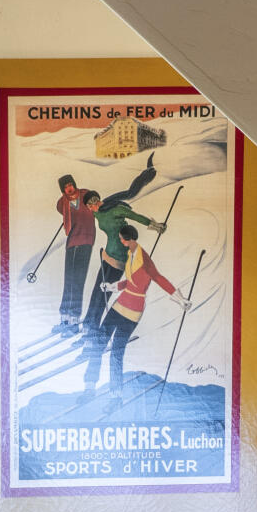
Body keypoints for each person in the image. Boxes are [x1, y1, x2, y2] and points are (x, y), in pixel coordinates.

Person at [84, 222, 178, 391]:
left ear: (128, 239)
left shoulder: (145, 259)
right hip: (120, 305)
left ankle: (116, 394)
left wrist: (180, 298)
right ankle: (89, 385)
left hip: (133, 312)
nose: (120, 241)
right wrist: (111, 286)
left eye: (121, 239)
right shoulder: (130, 253)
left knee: (116, 353)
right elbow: (129, 282)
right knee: (99, 342)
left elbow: (159, 278)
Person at [78, 154, 161, 334]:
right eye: (90, 205)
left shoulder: (115, 209)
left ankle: (94, 328)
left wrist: (155, 225)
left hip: (120, 258)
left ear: (98, 199)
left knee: (105, 292)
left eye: (94, 202)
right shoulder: (97, 213)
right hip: (107, 255)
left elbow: (135, 216)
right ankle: (89, 323)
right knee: (97, 291)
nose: (93, 206)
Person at [52, 179, 102, 332]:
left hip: (86, 240)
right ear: (63, 189)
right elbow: (61, 209)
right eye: (65, 187)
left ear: (74, 184)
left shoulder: (85, 194)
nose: (69, 188)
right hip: (72, 242)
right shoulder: (62, 202)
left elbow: (97, 205)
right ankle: (64, 317)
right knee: (69, 280)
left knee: (78, 280)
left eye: (70, 185)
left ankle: (74, 318)